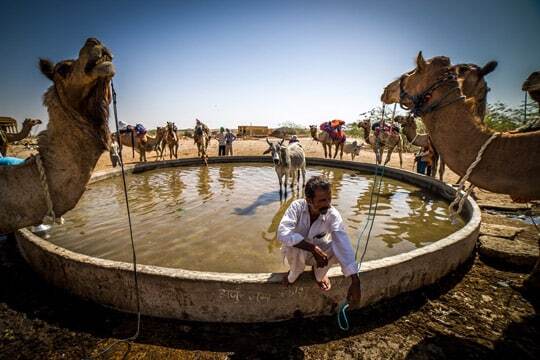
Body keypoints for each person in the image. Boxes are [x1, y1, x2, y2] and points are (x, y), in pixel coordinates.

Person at [277, 175, 361, 304]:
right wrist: (312, 248)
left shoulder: (332, 214)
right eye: (322, 200)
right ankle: (293, 275)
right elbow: (282, 233)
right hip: (298, 253)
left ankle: (318, 274)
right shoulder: (296, 207)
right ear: (309, 200)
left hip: (320, 256)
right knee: (293, 244)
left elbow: (343, 243)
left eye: (329, 199)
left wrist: (355, 281)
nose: (327, 204)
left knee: (337, 246)